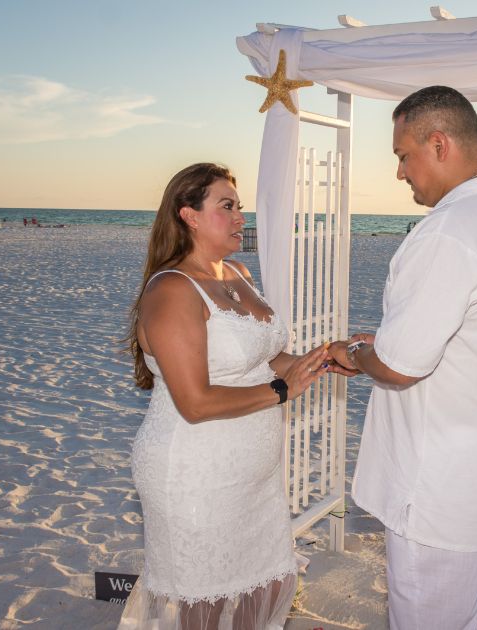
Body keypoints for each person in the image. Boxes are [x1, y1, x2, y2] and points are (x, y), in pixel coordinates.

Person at [328, 86, 477, 629]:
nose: (401, 172)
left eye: (403, 155)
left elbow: (402, 365)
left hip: (442, 489)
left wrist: (355, 352)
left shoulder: (451, 229)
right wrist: (385, 342)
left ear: (439, 143)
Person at [119, 163, 330, 630]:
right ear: (189, 215)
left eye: (239, 206)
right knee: (205, 605)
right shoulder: (173, 291)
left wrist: (318, 359)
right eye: (227, 206)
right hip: (196, 473)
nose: (240, 217)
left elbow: (262, 357)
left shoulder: (236, 271)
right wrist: (281, 390)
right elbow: (195, 403)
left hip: (252, 478)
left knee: (268, 582)